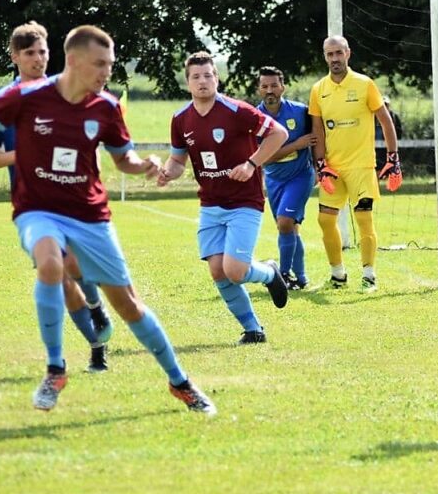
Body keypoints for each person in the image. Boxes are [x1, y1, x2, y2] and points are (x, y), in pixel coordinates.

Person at [0, 25, 215, 415]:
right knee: (49, 263)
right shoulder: (25, 97)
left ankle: (180, 382)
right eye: (99, 64)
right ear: (74, 60)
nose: (106, 72)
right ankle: (55, 368)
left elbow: (122, 160)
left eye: (110, 65)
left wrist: (143, 165)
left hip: (90, 215)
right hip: (38, 209)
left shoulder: (106, 107)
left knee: (129, 306)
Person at [0, 21, 114, 374]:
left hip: (73, 199)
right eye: (30, 53)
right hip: (34, 206)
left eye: (43, 52)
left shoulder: (66, 93)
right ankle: (97, 346)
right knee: (61, 279)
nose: (38, 59)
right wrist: (29, 153)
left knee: (75, 268)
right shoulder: (5, 103)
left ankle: (97, 306)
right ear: (14, 57)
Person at [158, 51, 290, 345]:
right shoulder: (180, 119)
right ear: (188, 82)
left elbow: (278, 134)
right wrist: (168, 172)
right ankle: (253, 329)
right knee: (218, 271)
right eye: (196, 77)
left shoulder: (236, 110)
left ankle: (269, 273)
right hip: (210, 204)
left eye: (208, 75)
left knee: (235, 270)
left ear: (216, 78)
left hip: (245, 201)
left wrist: (251, 163)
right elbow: (178, 161)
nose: (203, 81)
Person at [309, 35, 401, 292]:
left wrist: (392, 158)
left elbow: (385, 121)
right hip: (333, 169)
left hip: (361, 167)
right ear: (325, 56)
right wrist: (320, 163)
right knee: (325, 220)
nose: (335, 59)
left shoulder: (365, 84)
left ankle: (369, 276)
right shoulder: (318, 89)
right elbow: (317, 129)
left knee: (364, 220)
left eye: (339, 53)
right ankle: (338, 274)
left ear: (348, 53)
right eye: (330, 54)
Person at [256, 66, 317, 290]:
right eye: (265, 86)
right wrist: (296, 145)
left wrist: (321, 167)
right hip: (273, 180)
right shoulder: (254, 117)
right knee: (288, 228)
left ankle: (282, 274)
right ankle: (301, 278)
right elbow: (263, 158)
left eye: (274, 85)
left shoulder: (301, 112)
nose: (269, 90)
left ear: (283, 87)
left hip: (300, 176)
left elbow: (318, 138)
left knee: (284, 223)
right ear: (259, 89)